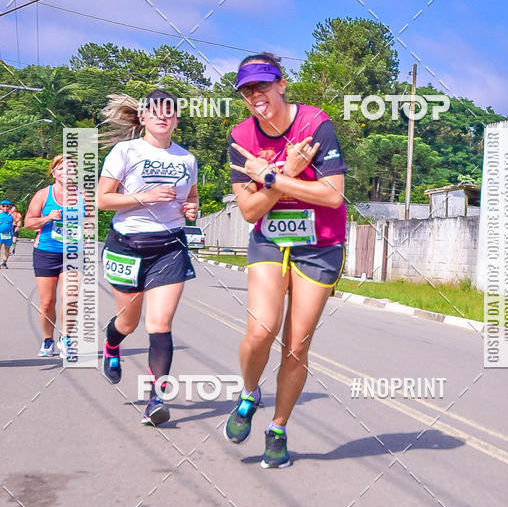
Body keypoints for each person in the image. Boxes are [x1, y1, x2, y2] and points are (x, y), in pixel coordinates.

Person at [225, 52, 347, 468]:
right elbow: (249, 211)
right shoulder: (241, 137)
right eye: (247, 89)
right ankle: (248, 394)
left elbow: (333, 194)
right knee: (261, 330)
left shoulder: (316, 125)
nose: (255, 94)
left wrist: (271, 176)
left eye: (262, 84)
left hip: (321, 242)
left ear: (281, 84)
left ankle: (277, 429)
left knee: (295, 347)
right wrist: (286, 178)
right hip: (270, 240)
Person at [97, 89, 198, 426]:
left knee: (160, 324)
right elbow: (104, 201)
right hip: (127, 245)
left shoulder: (187, 159)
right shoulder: (125, 151)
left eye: (169, 111)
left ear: (176, 119)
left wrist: (192, 208)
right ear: (143, 117)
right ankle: (112, 346)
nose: (162, 116)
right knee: (128, 321)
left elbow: (192, 199)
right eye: (155, 111)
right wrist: (145, 197)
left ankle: (156, 398)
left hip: (169, 246)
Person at [24, 157, 85, 357]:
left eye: (71, 169)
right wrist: (48, 217)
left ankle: (66, 338)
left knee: (70, 298)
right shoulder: (43, 195)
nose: (66, 172)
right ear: (53, 172)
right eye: (61, 169)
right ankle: (48, 340)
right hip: (46, 252)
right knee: (47, 302)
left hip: (73, 253)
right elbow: (28, 223)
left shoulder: (84, 196)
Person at [0, 199, 14, 269]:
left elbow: (18, 221)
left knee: (7, 249)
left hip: (8, 234)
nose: (5, 208)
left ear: (9, 207)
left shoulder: (12, 214)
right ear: (0, 206)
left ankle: (4, 262)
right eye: (3, 206)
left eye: (7, 206)